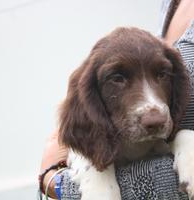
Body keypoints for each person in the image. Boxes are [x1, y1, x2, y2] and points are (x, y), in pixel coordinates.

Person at [39, 0, 194, 199]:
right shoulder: (169, 5)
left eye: (161, 75)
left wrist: (57, 183)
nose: (153, 112)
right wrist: (94, 168)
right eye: (118, 78)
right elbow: (90, 154)